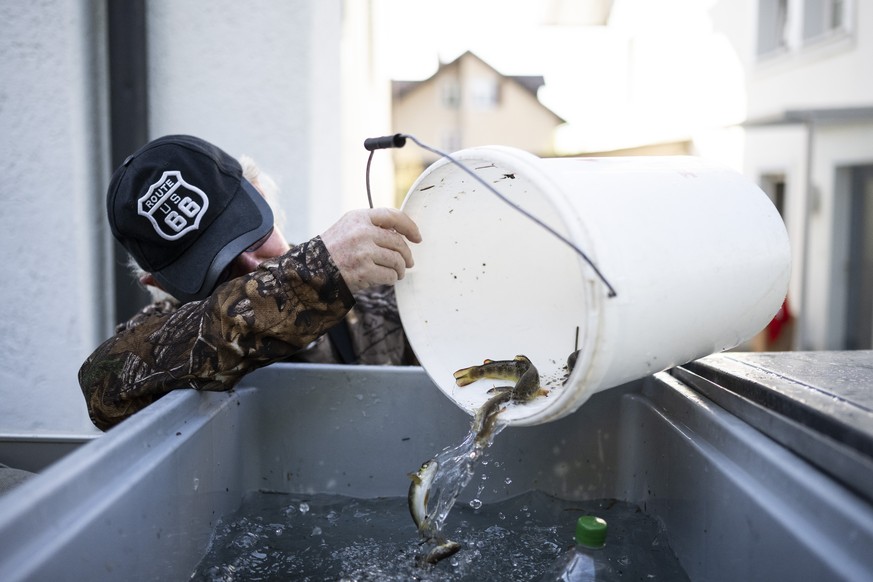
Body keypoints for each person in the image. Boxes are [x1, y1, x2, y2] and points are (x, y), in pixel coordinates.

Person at [79, 135, 422, 431]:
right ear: (161, 285)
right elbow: (100, 385)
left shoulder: (374, 292)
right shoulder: (162, 341)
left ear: (262, 197)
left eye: (253, 237)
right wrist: (316, 274)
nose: (253, 266)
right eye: (219, 267)